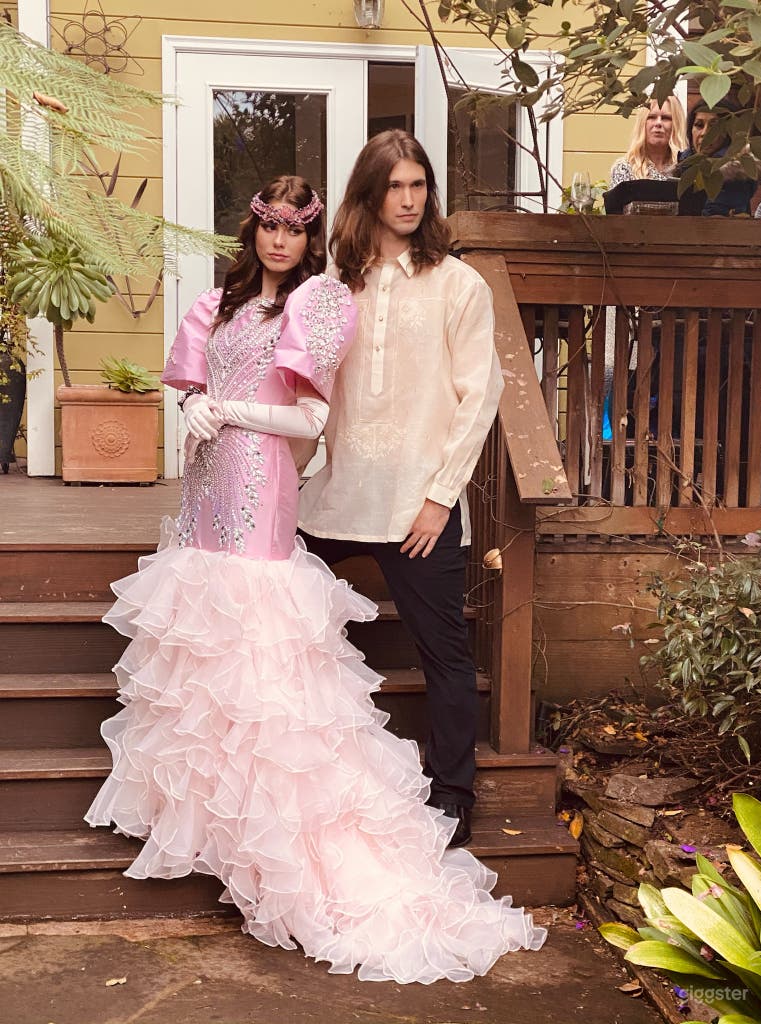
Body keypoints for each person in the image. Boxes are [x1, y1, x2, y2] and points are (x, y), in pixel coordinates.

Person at [85, 173, 546, 983]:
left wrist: (229, 411)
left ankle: (355, 823)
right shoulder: (226, 304)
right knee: (213, 662)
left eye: (295, 229)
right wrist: (194, 408)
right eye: (268, 226)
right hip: (208, 503)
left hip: (282, 493)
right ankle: (214, 822)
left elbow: (307, 420)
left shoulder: (324, 303)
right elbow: (198, 385)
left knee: (283, 669)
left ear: (310, 236)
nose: (279, 241)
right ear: (251, 230)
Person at [297, 130, 504, 852]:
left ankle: (453, 793)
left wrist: (441, 496)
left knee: (445, 655)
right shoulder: (333, 287)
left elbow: (480, 396)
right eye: (396, 187)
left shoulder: (458, 284)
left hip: (419, 506)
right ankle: (295, 773)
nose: (410, 200)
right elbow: (304, 385)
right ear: (370, 195)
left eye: (420, 186)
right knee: (274, 614)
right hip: (338, 496)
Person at [677, 99, 761, 217]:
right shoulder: (685, 162)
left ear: (729, 132)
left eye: (714, 127)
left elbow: (713, 224)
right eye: (699, 125)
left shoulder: (738, 169)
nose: (704, 133)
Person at [610, 97, 686, 186]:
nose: (658, 123)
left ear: (676, 124)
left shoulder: (685, 168)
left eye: (665, 118)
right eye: (652, 117)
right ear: (642, 123)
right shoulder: (624, 168)